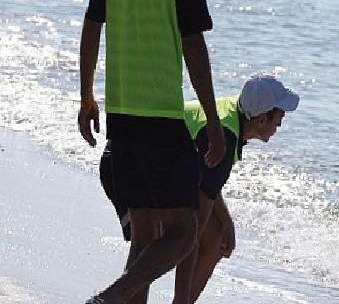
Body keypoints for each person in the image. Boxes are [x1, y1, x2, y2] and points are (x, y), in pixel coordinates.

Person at [78, 0, 226, 303]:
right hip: (159, 116)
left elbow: (93, 21)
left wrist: (86, 96)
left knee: (145, 238)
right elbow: (193, 44)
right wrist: (212, 120)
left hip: (121, 112)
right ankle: (107, 299)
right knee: (185, 232)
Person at [99, 73, 299, 303]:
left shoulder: (232, 114)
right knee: (153, 241)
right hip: (126, 161)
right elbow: (192, 229)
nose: (281, 122)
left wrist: (225, 219)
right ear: (262, 119)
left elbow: (202, 183)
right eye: (279, 116)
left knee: (214, 237)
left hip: (142, 157)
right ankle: (110, 299)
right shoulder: (224, 137)